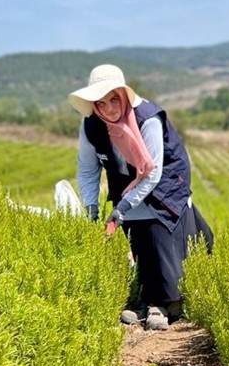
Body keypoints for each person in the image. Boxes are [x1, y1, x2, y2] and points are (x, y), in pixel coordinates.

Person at [69, 64, 209, 330]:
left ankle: (166, 304)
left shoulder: (147, 118)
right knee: (141, 243)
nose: (109, 108)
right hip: (126, 188)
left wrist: (123, 206)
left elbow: (152, 173)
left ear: (124, 96)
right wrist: (91, 209)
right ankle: (148, 302)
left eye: (114, 99)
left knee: (160, 240)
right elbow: (88, 170)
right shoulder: (91, 126)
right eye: (101, 102)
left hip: (164, 185)